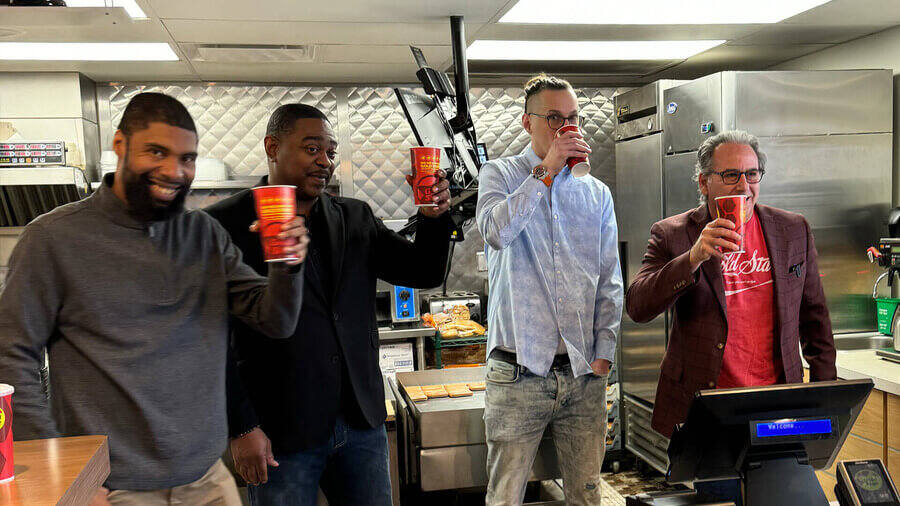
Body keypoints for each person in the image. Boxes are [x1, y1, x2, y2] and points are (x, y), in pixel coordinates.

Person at [0, 92, 309, 505]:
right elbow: (11, 356)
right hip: (113, 490)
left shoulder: (204, 235)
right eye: (156, 152)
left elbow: (275, 321)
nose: (174, 171)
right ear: (120, 145)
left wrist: (287, 266)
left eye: (187, 158)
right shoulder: (53, 239)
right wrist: (65, 474)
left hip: (208, 479)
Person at [205, 103, 454, 506]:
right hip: (279, 432)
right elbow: (211, 337)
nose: (325, 161)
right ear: (273, 147)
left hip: (360, 422)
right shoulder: (224, 224)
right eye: (311, 149)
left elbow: (423, 272)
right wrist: (242, 426)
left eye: (330, 152)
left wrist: (433, 217)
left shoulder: (354, 216)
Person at [625, 130, 836, 504]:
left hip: (777, 403)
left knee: (787, 498)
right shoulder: (673, 234)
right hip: (710, 407)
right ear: (704, 182)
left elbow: (815, 316)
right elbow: (638, 306)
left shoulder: (792, 229)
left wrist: (825, 398)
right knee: (720, 498)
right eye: (731, 175)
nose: (744, 185)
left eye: (752, 174)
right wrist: (692, 258)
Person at [475, 73, 623, 506]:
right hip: (517, 372)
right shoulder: (500, 173)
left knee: (587, 496)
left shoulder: (596, 194)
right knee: (505, 497)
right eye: (554, 118)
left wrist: (604, 354)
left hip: (581, 375)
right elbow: (496, 232)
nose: (565, 128)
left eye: (572, 118)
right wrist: (546, 171)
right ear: (528, 123)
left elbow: (609, 279)